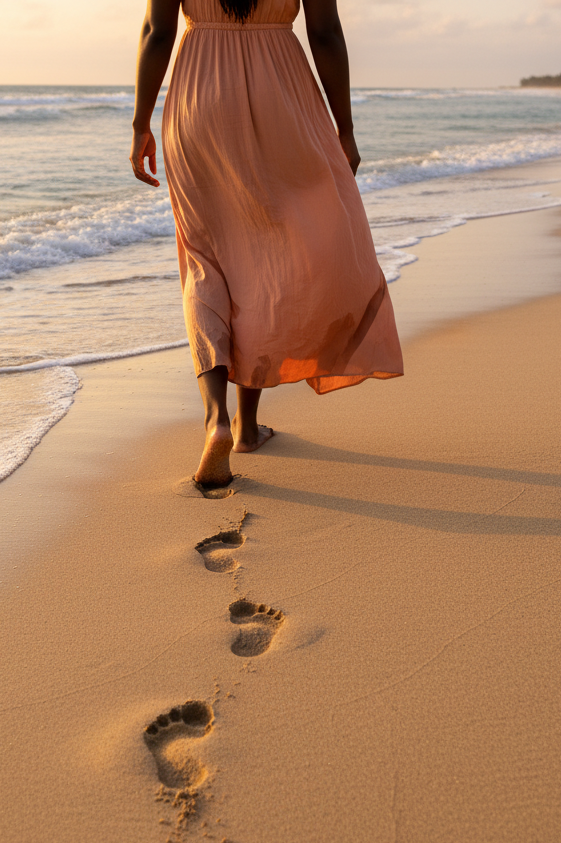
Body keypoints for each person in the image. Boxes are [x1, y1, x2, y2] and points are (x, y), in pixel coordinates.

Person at [130, 0, 403, 488]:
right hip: (284, 97)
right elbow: (325, 33)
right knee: (266, 261)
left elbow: (156, 31)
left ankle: (217, 419)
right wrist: (345, 129)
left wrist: (140, 124)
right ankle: (247, 427)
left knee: (205, 260)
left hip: (199, 99)